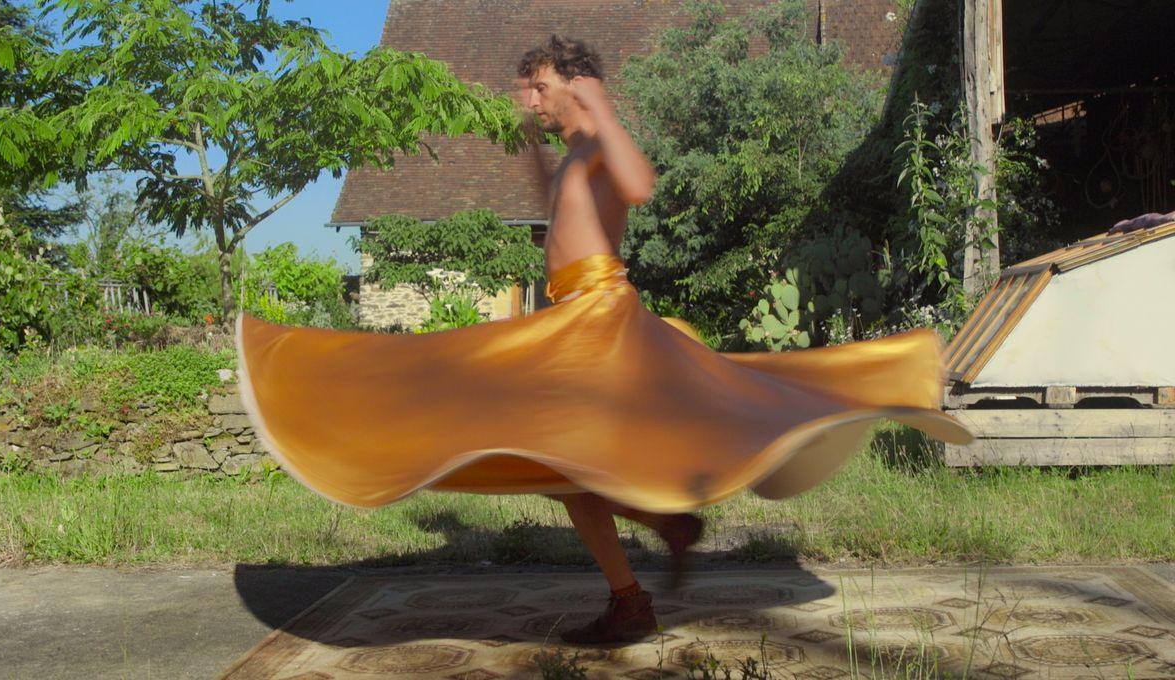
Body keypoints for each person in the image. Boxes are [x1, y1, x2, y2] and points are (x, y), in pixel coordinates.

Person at [234, 36, 969, 647]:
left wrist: (603, 110)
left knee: (480, 398)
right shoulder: (574, 150)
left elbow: (641, 186)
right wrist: (532, 149)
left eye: (539, 87)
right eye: (525, 89)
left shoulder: (600, 141)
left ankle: (653, 544)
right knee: (567, 468)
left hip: (596, 317)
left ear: (577, 86)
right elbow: (556, 207)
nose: (528, 99)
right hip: (569, 314)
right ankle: (642, 570)